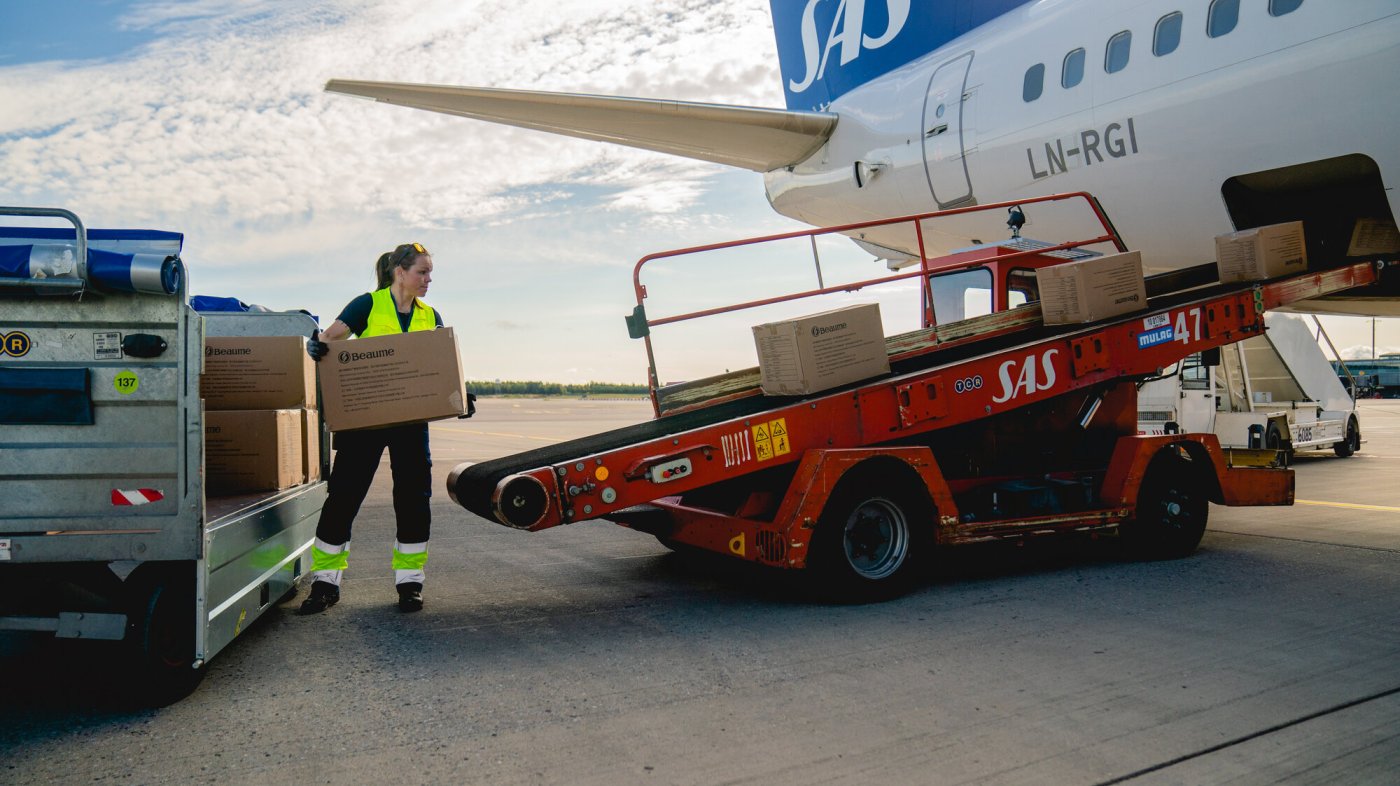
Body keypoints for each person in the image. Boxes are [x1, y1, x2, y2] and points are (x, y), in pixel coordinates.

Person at [300, 242, 444, 614]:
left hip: (411, 422)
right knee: (345, 496)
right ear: (400, 272)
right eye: (422, 272)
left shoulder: (431, 315)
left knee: (414, 500)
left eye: (430, 272)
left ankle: (410, 583)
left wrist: (460, 393)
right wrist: (315, 347)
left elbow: (441, 365)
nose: (429, 279)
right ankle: (325, 583)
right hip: (366, 419)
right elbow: (330, 339)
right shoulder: (367, 304)